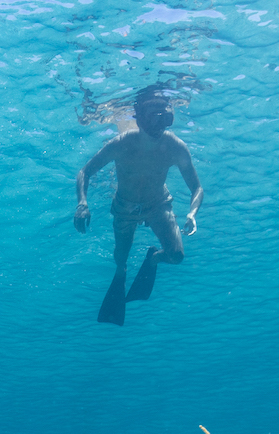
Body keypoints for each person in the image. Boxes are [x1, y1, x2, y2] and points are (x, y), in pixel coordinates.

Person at [74, 85, 204, 325]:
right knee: (120, 260)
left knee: (176, 256)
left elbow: (197, 188)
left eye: (164, 118)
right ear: (140, 118)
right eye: (153, 117)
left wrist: (192, 213)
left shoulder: (176, 147)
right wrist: (82, 203)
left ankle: (153, 258)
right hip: (125, 208)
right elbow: (85, 172)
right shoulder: (121, 143)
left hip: (158, 204)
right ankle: (121, 272)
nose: (159, 125)